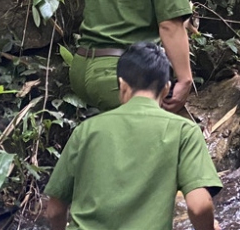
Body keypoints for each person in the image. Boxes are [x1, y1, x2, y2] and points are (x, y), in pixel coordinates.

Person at [45, 42, 222, 230]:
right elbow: (199, 206)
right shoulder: (184, 131)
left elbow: (54, 210)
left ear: (122, 85)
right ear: (165, 89)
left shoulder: (86, 130)